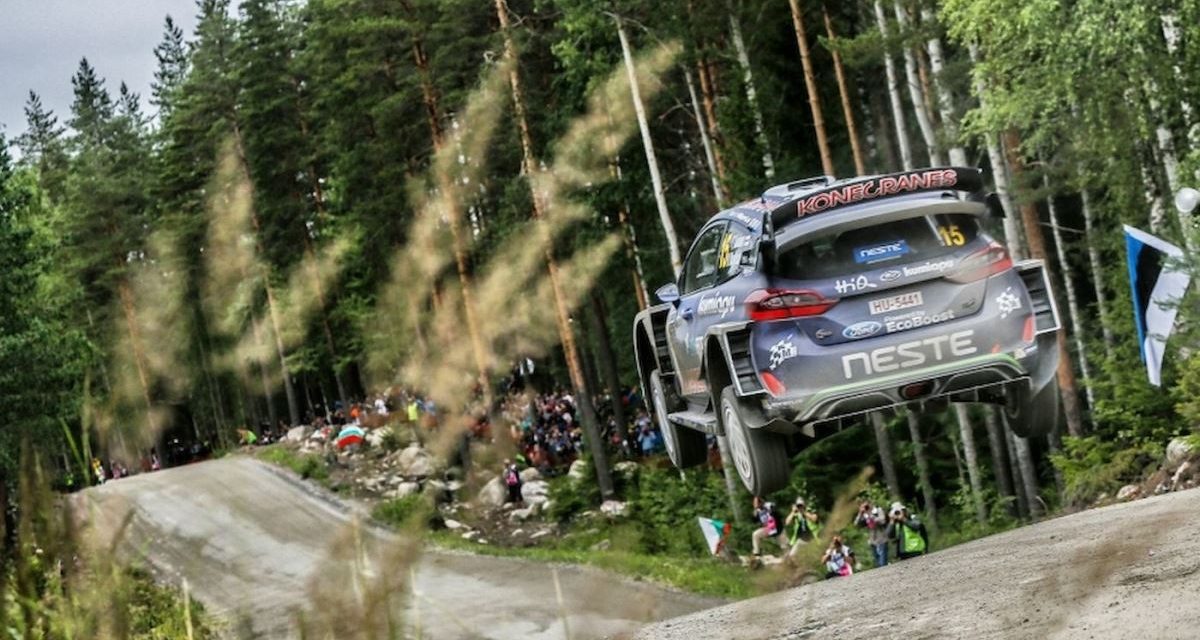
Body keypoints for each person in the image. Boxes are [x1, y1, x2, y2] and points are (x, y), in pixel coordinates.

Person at [855, 501, 890, 567]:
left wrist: (871, 515)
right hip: (872, 541)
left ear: (870, 504)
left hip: (882, 539)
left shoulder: (878, 510)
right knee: (878, 564)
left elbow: (883, 521)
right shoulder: (864, 515)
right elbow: (856, 524)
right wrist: (860, 513)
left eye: (866, 506)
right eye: (863, 506)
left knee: (883, 564)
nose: (866, 508)